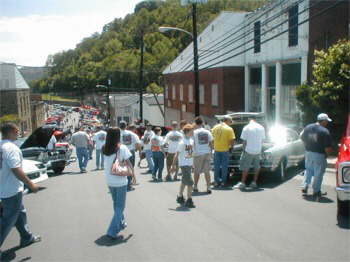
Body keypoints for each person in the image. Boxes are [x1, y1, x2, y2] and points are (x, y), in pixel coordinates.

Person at [0, 123, 41, 254]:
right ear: (11, 131)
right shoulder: (11, 148)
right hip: (11, 189)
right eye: (17, 131)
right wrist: (31, 184)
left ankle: (26, 237)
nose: (18, 133)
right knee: (8, 219)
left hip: (4, 188)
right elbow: (16, 169)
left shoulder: (1, 146)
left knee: (20, 212)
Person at [103, 127, 135, 240]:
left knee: (116, 204)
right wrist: (133, 176)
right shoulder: (122, 148)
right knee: (120, 206)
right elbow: (128, 163)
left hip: (109, 180)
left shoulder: (104, 147)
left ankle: (121, 222)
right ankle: (112, 231)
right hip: (120, 180)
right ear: (118, 136)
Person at [300, 113, 333, 200]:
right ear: (324, 121)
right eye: (326, 121)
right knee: (318, 173)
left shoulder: (308, 127)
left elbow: (302, 138)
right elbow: (328, 147)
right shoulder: (324, 131)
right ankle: (316, 191)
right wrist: (327, 155)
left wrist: (307, 148)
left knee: (308, 170)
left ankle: (305, 186)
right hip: (319, 154)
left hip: (308, 153)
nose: (327, 123)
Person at [234, 116, 266, 190]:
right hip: (258, 151)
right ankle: (254, 182)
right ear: (256, 119)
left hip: (249, 150)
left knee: (246, 167)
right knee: (257, 167)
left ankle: (243, 183)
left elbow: (244, 142)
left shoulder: (246, 128)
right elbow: (262, 140)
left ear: (249, 120)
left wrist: (244, 150)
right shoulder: (261, 127)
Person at [172, 124, 195, 208]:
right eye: (192, 131)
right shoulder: (182, 142)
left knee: (184, 182)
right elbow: (176, 154)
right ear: (187, 132)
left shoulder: (191, 141)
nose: (193, 132)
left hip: (189, 164)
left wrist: (192, 164)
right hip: (184, 164)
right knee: (190, 183)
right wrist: (173, 165)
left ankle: (180, 196)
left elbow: (191, 153)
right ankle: (189, 200)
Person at [211, 116, 235, 187]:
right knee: (224, 167)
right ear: (227, 121)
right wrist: (231, 148)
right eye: (230, 121)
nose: (230, 123)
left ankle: (216, 181)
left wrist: (213, 147)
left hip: (216, 150)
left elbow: (211, 139)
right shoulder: (229, 129)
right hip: (225, 150)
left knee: (216, 167)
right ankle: (223, 182)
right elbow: (232, 140)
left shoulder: (215, 127)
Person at [193, 117, 213, 194]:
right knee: (207, 171)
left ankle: (195, 186)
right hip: (206, 153)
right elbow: (211, 143)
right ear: (202, 123)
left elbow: (192, 143)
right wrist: (211, 153)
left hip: (198, 153)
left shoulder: (194, 132)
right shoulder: (207, 132)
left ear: (195, 123)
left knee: (196, 171)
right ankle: (208, 187)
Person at [120, 122, 141, 191]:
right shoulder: (132, 134)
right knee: (130, 168)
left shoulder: (117, 133)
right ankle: (128, 185)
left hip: (121, 152)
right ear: (126, 126)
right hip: (130, 152)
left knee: (122, 168)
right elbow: (138, 143)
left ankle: (123, 184)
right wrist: (137, 150)